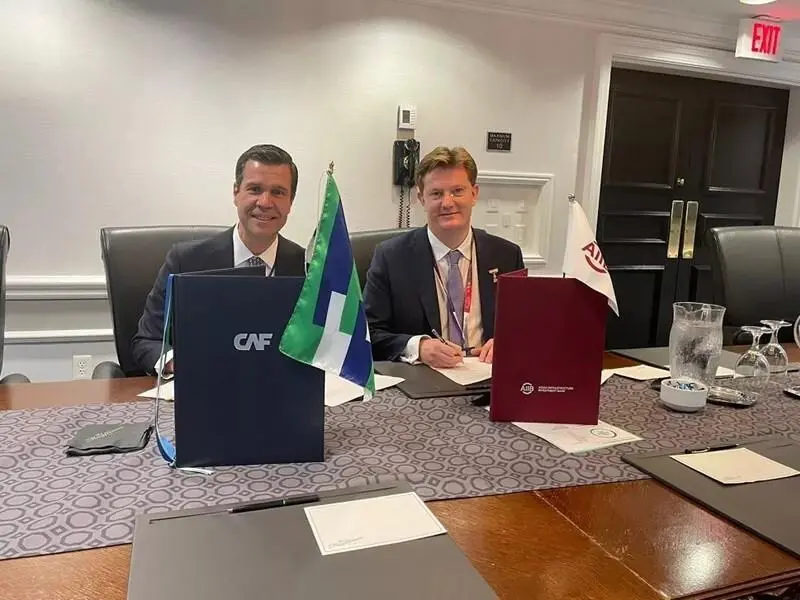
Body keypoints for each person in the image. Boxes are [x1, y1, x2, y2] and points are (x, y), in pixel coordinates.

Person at [131, 144, 307, 375]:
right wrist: (181, 364)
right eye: (255, 189)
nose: (265, 202)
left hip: (281, 390)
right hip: (205, 387)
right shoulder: (186, 262)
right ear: (236, 193)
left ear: (291, 201)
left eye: (278, 192)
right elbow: (148, 341)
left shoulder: (309, 269)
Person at [363, 146, 524, 368]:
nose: (447, 203)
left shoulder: (507, 256)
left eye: (457, 191)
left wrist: (508, 342)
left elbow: (525, 326)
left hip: (489, 377)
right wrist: (418, 347)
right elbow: (368, 333)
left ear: (474, 194)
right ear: (421, 198)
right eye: (436, 194)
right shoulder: (391, 258)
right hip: (425, 380)